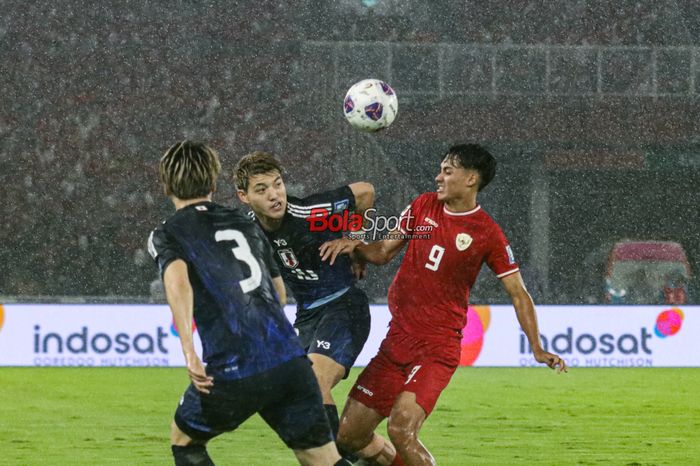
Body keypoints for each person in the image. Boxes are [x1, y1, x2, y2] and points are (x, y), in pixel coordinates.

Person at [319, 144, 568, 466]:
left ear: (471, 179)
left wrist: (536, 346)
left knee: (401, 430)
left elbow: (518, 292)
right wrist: (355, 248)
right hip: (396, 342)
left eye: (447, 171)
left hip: (436, 348)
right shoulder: (423, 207)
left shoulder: (487, 234)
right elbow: (383, 252)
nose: (438, 177)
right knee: (349, 437)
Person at [148, 141, 349, 466]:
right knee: (322, 459)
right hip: (290, 361)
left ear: (166, 185)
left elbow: (178, 284)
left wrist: (189, 351)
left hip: (235, 368)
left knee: (184, 440)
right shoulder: (245, 223)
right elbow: (278, 292)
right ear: (213, 184)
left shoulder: (167, 233)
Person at [234, 151, 375, 444]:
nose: (275, 195)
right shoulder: (246, 229)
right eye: (262, 190)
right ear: (243, 196)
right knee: (287, 394)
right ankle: (379, 456)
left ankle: (332, 461)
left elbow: (365, 192)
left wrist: (354, 238)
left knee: (313, 384)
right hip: (308, 316)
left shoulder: (309, 211)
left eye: (278, 184)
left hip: (343, 306)